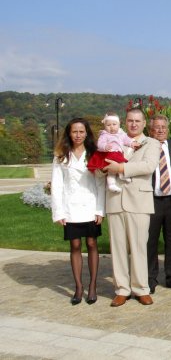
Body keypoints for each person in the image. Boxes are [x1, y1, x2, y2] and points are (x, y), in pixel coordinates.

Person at [103, 107, 161, 307]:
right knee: (118, 248)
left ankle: (141, 288)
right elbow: (102, 162)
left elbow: (148, 166)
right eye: (130, 120)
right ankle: (122, 289)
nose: (134, 124)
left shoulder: (151, 143)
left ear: (144, 123)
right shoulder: (113, 140)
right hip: (115, 199)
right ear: (124, 122)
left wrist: (120, 168)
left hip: (139, 201)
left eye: (137, 121)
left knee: (139, 247)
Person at [51, 118, 105, 305]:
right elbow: (57, 185)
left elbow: (100, 183)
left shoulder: (94, 154)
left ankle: (92, 286)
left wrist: (100, 209)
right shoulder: (61, 156)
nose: (78, 135)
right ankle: (79, 287)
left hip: (90, 206)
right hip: (70, 207)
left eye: (81, 131)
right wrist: (59, 212)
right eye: (74, 131)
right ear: (69, 133)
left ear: (87, 133)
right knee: (75, 245)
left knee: (91, 243)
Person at [147, 115, 171, 293]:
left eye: (164, 127)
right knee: (150, 241)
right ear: (150, 130)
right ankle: (150, 280)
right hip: (152, 201)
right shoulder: (145, 147)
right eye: (157, 127)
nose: (161, 130)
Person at [86, 112, 136, 192]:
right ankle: (111, 184)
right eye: (108, 125)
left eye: (114, 124)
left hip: (117, 153)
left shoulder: (121, 134)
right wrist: (105, 147)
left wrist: (132, 143)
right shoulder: (104, 135)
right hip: (109, 154)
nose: (111, 127)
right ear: (105, 126)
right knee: (111, 170)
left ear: (119, 125)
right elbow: (100, 144)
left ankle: (122, 175)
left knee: (121, 164)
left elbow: (126, 140)